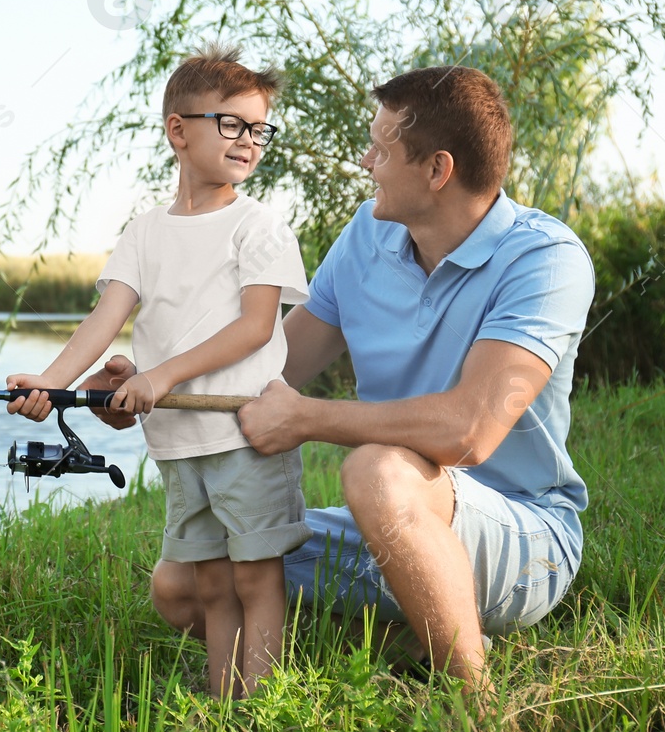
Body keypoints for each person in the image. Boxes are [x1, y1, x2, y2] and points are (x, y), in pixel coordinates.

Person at [75, 65, 596, 698]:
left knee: (377, 471)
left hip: (523, 539)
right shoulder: (368, 234)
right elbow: (271, 368)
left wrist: (310, 419)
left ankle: (475, 701)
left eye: (381, 147)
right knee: (179, 586)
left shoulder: (545, 258)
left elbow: (469, 431)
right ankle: (406, 642)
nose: (366, 159)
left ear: (438, 170)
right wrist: (151, 384)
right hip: (388, 525)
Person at [7, 44, 312, 698]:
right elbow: (103, 320)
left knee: (256, 578)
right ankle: (222, 701)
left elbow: (256, 326)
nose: (250, 140)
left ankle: (260, 708)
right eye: (232, 123)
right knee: (210, 582)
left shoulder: (259, 227)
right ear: (179, 129)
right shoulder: (144, 231)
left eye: (260, 129)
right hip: (180, 445)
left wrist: (162, 375)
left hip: (246, 435)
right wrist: (48, 381)